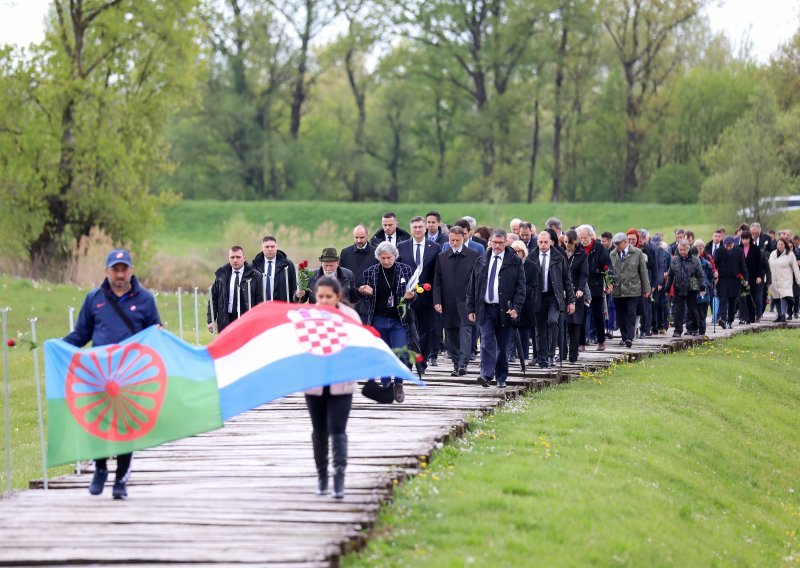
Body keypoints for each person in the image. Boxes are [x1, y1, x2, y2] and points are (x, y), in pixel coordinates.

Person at [64, 249, 161, 500]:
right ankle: (99, 468)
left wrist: (159, 336)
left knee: (126, 427)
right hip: (100, 374)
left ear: (131, 270)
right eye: (115, 269)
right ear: (107, 271)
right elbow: (81, 334)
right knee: (99, 423)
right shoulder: (93, 299)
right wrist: (58, 347)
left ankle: (121, 479)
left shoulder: (146, 300)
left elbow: (155, 336)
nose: (120, 274)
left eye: (124, 269)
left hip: (131, 376)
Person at [305, 277, 358, 499]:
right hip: (315, 384)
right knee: (319, 432)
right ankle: (322, 477)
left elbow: (357, 347)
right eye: (320, 297)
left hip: (341, 384)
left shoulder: (349, 317)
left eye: (329, 297)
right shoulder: (307, 317)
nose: (324, 301)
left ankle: (339, 478)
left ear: (338, 297)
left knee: (337, 431)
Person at [466, 229, 526, 388]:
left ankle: (501, 377)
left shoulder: (514, 261)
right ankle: (486, 375)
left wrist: (516, 307)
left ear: (506, 242)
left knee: (503, 344)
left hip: (504, 309)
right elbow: (473, 286)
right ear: (489, 242)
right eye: (494, 242)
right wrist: (471, 308)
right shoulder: (482, 260)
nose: (497, 246)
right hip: (485, 308)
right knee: (486, 341)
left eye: (500, 243)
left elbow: (521, 288)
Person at [359, 241, 416, 402]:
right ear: (378, 258)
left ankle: (398, 383)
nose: (386, 261)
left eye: (389, 258)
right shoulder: (370, 273)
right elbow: (363, 297)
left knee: (401, 352)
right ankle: (386, 385)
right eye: (383, 258)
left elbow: (414, 293)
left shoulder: (405, 270)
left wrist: (411, 296)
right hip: (378, 319)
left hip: (398, 319)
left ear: (395, 256)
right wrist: (365, 292)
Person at [433, 226, 480, 376]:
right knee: (450, 334)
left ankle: (463, 364)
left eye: (457, 240)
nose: (454, 243)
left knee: (465, 333)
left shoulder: (474, 255)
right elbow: (437, 281)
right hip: (447, 302)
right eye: (452, 240)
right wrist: (437, 301)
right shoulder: (442, 256)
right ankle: (455, 364)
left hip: (466, 302)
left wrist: (475, 301)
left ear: (463, 239)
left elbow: (477, 281)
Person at [397, 216, 442, 366]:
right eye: (414, 227)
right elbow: (398, 271)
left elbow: (437, 273)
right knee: (408, 330)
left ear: (425, 228)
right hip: (407, 295)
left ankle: (422, 360)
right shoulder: (401, 246)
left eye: (420, 227)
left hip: (427, 296)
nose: (417, 230)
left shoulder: (435, 247)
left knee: (425, 330)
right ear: (411, 229)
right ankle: (408, 360)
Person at [531, 231, 576, 367]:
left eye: (546, 242)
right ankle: (542, 358)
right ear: (537, 242)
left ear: (551, 242)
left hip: (554, 297)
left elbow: (567, 280)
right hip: (538, 296)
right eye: (540, 242)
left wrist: (571, 301)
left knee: (552, 321)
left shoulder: (558, 256)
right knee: (540, 328)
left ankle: (551, 354)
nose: (543, 245)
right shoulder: (532, 257)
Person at [208, 246, 264, 333]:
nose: (235, 260)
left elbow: (261, 301)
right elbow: (213, 298)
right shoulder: (221, 275)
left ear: (244, 258)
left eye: (238, 257)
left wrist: (258, 320)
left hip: (247, 320)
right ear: (229, 258)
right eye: (232, 257)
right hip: (226, 320)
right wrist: (211, 320)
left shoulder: (255, 276)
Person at [610, 232, 649, 348]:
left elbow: (643, 272)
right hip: (618, 290)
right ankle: (624, 337)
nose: (616, 246)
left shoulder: (637, 253)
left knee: (631, 313)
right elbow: (609, 272)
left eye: (618, 243)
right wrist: (608, 285)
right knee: (621, 315)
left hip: (633, 289)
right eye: (615, 244)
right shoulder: (612, 254)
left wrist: (646, 288)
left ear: (626, 242)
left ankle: (629, 337)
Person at [577, 224, 612, 351]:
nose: (582, 240)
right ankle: (581, 343)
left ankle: (601, 341)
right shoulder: (578, 249)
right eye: (580, 237)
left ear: (591, 236)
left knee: (598, 315)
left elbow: (607, 267)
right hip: (582, 287)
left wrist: (609, 283)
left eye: (584, 237)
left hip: (596, 286)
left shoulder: (600, 248)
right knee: (581, 315)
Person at [665, 240, 706, 336]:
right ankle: (678, 331)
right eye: (680, 250)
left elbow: (701, 275)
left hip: (691, 289)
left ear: (688, 249)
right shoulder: (674, 260)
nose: (682, 251)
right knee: (677, 311)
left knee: (693, 311)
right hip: (678, 288)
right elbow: (670, 276)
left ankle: (695, 328)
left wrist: (702, 289)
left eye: (684, 249)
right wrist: (667, 289)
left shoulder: (695, 260)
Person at [340, 224, 379, 322]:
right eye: (356, 237)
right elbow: (341, 275)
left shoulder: (376, 253)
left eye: (362, 237)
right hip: (350, 300)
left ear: (368, 235)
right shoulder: (345, 252)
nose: (358, 240)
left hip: (369, 300)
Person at [563, 230, 588, 363]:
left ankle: (573, 355)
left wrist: (580, 289)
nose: (567, 245)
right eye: (566, 242)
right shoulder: (561, 253)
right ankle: (562, 353)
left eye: (570, 243)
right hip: (562, 292)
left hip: (576, 292)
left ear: (575, 242)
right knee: (563, 324)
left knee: (575, 323)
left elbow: (584, 274)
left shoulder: (581, 254)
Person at [714, 236, 747, 329]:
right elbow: (714, 264)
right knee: (723, 299)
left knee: (732, 301)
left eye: (730, 245)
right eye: (727, 245)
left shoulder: (739, 252)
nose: (728, 247)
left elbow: (743, 266)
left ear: (733, 244)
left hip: (734, 280)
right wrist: (714, 273)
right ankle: (722, 319)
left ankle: (730, 321)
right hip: (723, 279)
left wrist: (745, 279)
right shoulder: (719, 251)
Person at [251, 236, 297, 302]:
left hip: (281, 306)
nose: (270, 249)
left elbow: (294, 288)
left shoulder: (287, 265)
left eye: (272, 246)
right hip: (261, 307)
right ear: (262, 248)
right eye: (267, 247)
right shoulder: (254, 266)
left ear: (276, 247)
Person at [768, 238, 800, 322]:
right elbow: (769, 266)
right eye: (779, 244)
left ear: (785, 245)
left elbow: (795, 268)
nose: (780, 246)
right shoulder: (773, 254)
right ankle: (779, 315)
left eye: (782, 244)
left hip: (785, 280)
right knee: (776, 298)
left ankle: (783, 315)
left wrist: (798, 280)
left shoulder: (790, 254)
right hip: (774, 280)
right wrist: (766, 279)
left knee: (783, 296)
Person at [739, 231, 765, 324]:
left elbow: (759, 264)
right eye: (743, 239)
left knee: (750, 297)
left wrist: (759, 276)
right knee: (742, 298)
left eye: (746, 239)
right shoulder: (738, 249)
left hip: (753, 277)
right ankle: (743, 318)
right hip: (741, 277)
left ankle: (751, 318)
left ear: (750, 239)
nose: (745, 241)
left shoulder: (755, 249)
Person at [692, 240, 715, 336]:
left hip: (704, 292)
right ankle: (693, 329)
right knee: (693, 312)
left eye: (700, 249)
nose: (699, 251)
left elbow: (711, 277)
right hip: (694, 291)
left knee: (702, 313)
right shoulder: (691, 263)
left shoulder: (706, 263)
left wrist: (709, 286)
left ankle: (702, 330)